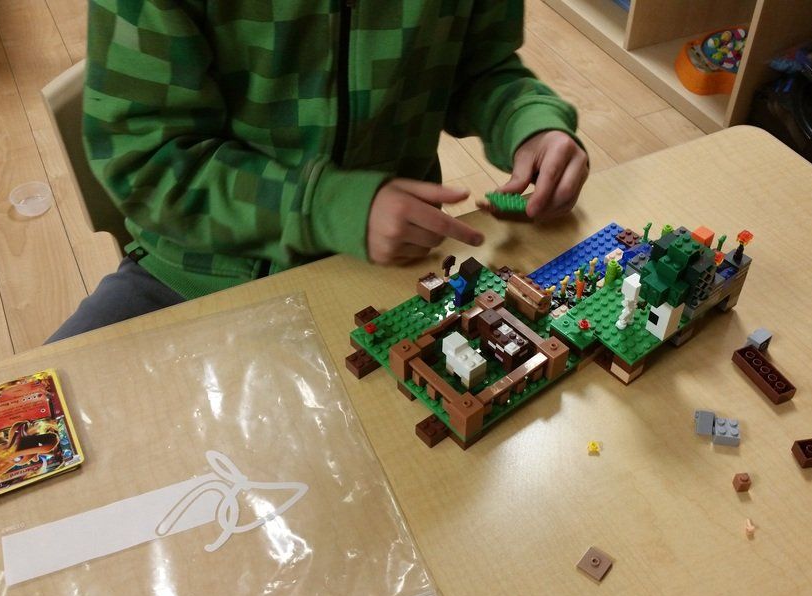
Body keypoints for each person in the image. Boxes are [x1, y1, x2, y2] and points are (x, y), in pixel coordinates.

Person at [46, 1, 589, 342]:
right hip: (196, 274)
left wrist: (529, 121)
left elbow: (480, 66)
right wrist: (326, 207)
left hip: (392, 269)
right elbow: (147, 160)